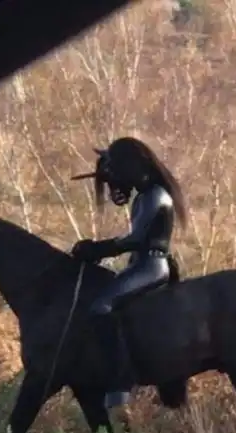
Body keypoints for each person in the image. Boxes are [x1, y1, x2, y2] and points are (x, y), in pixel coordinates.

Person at [70, 136, 188, 409]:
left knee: (101, 306)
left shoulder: (155, 195)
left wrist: (98, 249)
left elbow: (135, 239)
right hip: (140, 265)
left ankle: (119, 384)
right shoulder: (146, 196)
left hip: (151, 266)